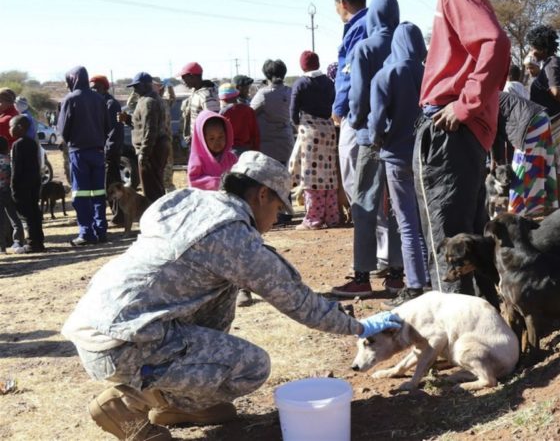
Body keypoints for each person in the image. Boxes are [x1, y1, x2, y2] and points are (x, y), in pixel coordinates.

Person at [61, 151, 402, 441]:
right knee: (252, 367)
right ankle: (130, 404)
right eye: (278, 210)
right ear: (263, 195)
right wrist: (359, 326)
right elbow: (298, 301)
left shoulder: (189, 200)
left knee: (222, 290)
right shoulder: (232, 237)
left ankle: (175, 403)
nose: (274, 220)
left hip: (100, 326)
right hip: (124, 345)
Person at [396, 0, 509, 307]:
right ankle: (486, 334)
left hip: (450, 131)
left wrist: (464, 105)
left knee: (448, 245)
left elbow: (494, 44)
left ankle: (460, 343)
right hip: (461, 133)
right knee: (469, 242)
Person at [332, 0, 404, 297]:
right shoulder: (405, 44)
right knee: (399, 206)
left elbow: (357, 98)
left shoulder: (364, 47)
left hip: (369, 139)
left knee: (364, 204)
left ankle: (362, 276)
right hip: (401, 138)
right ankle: (399, 275)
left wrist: (359, 123)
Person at [368, 22, 431, 306]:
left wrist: (376, 140)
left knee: (407, 224)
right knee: (428, 221)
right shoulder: (430, 73)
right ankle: (434, 278)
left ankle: (416, 284)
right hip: (427, 157)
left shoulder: (385, 75)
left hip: (396, 157)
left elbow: (377, 123)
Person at [58, 66, 110, 246]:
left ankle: (86, 233)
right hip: (97, 151)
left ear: (72, 80)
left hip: (78, 152)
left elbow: (63, 129)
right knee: (98, 193)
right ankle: (101, 230)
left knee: (81, 193)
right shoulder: (99, 98)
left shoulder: (70, 99)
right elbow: (107, 126)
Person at [288, 50, 339, 230]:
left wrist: (299, 125)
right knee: (329, 174)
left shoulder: (301, 83)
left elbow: (293, 112)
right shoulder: (328, 82)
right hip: (328, 129)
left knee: (311, 176)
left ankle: (313, 219)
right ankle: (332, 216)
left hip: (309, 132)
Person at [527, 25, 560, 197]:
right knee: (556, 160)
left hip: (554, 118)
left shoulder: (550, 65)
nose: (532, 52)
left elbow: (555, 90)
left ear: (543, 48)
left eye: (534, 48)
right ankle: (555, 198)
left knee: (554, 161)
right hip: (558, 116)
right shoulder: (557, 61)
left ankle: (555, 200)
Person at [332, 0, 369, 205]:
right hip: (374, 109)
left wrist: (338, 107)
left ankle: (369, 234)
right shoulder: (375, 22)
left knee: (354, 174)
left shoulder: (358, 27)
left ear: (343, 3)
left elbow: (350, 71)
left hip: (356, 111)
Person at [492, 91, 558, 216]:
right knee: (542, 164)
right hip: (542, 118)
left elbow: (493, 134)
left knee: (521, 170)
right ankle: (540, 207)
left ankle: (515, 214)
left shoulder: (486, 100)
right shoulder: (493, 95)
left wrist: (496, 160)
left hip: (530, 124)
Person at [124, 72, 170, 203]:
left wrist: (144, 153)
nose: (135, 89)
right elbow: (142, 125)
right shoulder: (147, 99)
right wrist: (127, 120)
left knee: (152, 189)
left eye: (137, 86)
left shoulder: (149, 102)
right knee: (154, 186)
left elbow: (150, 130)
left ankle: (157, 217)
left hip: (152, 149)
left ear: (146, 85)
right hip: (154, 148)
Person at [90, 75, 124, 224]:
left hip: (110, 151)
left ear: (104, 87)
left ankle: (120, 215)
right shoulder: (99, 103)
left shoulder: (111, 104)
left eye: (96, 88)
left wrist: (108, 150)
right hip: (102, 150)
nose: (93, 91)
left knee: (112, 184)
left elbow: (113, 131)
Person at [10, 116, 45, 253]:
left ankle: (32, 244)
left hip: (22, 186)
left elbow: (17, 168)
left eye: (10, 126)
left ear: (20, 128)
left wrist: (13, 186)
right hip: (33, 183)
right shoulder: (32, 143)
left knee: (26, 215)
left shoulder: (18, 144)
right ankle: (39, 241)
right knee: (34, 213)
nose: (9, 129)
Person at [251, 59, 294, 166]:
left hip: (267, 147)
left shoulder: (263, 94)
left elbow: (250, 114)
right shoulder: (290, 92)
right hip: (286, 143)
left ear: (267, 75)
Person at [188, 110, 238, 190]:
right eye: (211, 138)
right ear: (202, 139)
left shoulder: (231, 158)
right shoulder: (198, 160)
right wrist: (218, 183)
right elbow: (194, 181)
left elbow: (239, 176)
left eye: (221, 137)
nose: (217, 142)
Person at [180, 62, 219, 146]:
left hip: (204, 143)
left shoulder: (207, 96)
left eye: (184, 77)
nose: (183, 81)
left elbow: (213, 122)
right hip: (196, 141)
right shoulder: (195, 92)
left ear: (192, 76)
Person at [0, 136, 26, 254]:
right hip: (9, 192)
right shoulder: (10, 160)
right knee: (14, 218)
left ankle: (2, 247)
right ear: (7, 148)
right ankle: (18, 242)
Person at [219, 83, 260, 154]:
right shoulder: (248, 110)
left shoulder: (223, 112)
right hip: (247, 150)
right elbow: (255, 134)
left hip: (229, 151)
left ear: (222, 99)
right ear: (236, 95)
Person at [154, 77, 177, 192]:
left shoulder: (165, 102)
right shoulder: (150, 101)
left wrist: (170, 86)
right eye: (158, 86)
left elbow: (172, 98)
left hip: (167, 140)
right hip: (155, 142)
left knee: (168, 168)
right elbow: (131, 103)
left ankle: (168, 190)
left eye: (161, 86)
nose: (161, 89)